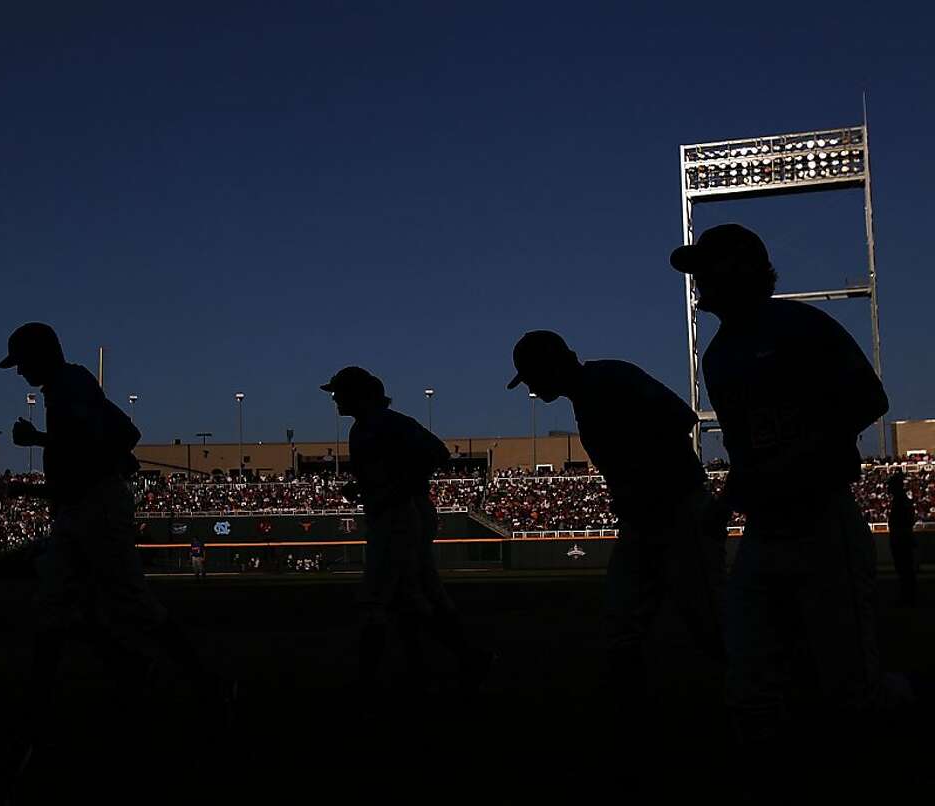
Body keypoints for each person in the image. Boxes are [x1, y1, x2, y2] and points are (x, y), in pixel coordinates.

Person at [671, 223, 900, 779]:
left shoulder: (800, 325)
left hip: (821, 516)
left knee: (845, 674)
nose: (698, 281)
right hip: (765, 527)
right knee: (751, 665)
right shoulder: (719, 356)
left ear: (740, 270)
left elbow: (871, 398)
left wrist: (801, 453)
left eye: (707, 268)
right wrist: (728, 503)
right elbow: (750, 453)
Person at [0, 323, 232, 732]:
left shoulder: (69, 385)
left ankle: (203, 682)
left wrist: (38, 440)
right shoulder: (73, 381)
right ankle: (102, 679)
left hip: (95, 505)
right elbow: (124, 433)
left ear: (41, 354)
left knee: (127, 603)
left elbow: (91, 444)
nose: (20, 372)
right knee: (61, 605)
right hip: (83, 504)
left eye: (22, 362)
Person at [507, 330, 726, 721]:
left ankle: (758, 707)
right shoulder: (589, 392)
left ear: (551, 366)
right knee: (622, 622)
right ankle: (630, 719)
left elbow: (681, 416)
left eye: (532, 375)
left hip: (678, 513)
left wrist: (641, 470)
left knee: (710, 621)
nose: (533, 387)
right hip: (643, 521)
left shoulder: (609, 379)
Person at [320, 366, 490, 711]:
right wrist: (365, 487)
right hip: (395, 512)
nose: (335, 398)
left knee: (379, 599)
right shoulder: (364, 427)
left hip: (401, 515)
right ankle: (452, 662)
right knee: (415, 598)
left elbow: (437, 453)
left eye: (340, 392)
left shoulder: (386, 422)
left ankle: (371, 683)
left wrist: (397, 489)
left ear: (361, 393)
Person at [888, 473, 917, 606]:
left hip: (901, 539)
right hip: (901, 538)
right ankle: (908, 595)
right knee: (905, 570)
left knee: (905, 569)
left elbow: (907, 521)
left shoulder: (901, 501)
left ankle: (908, 597)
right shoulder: (902, 500)